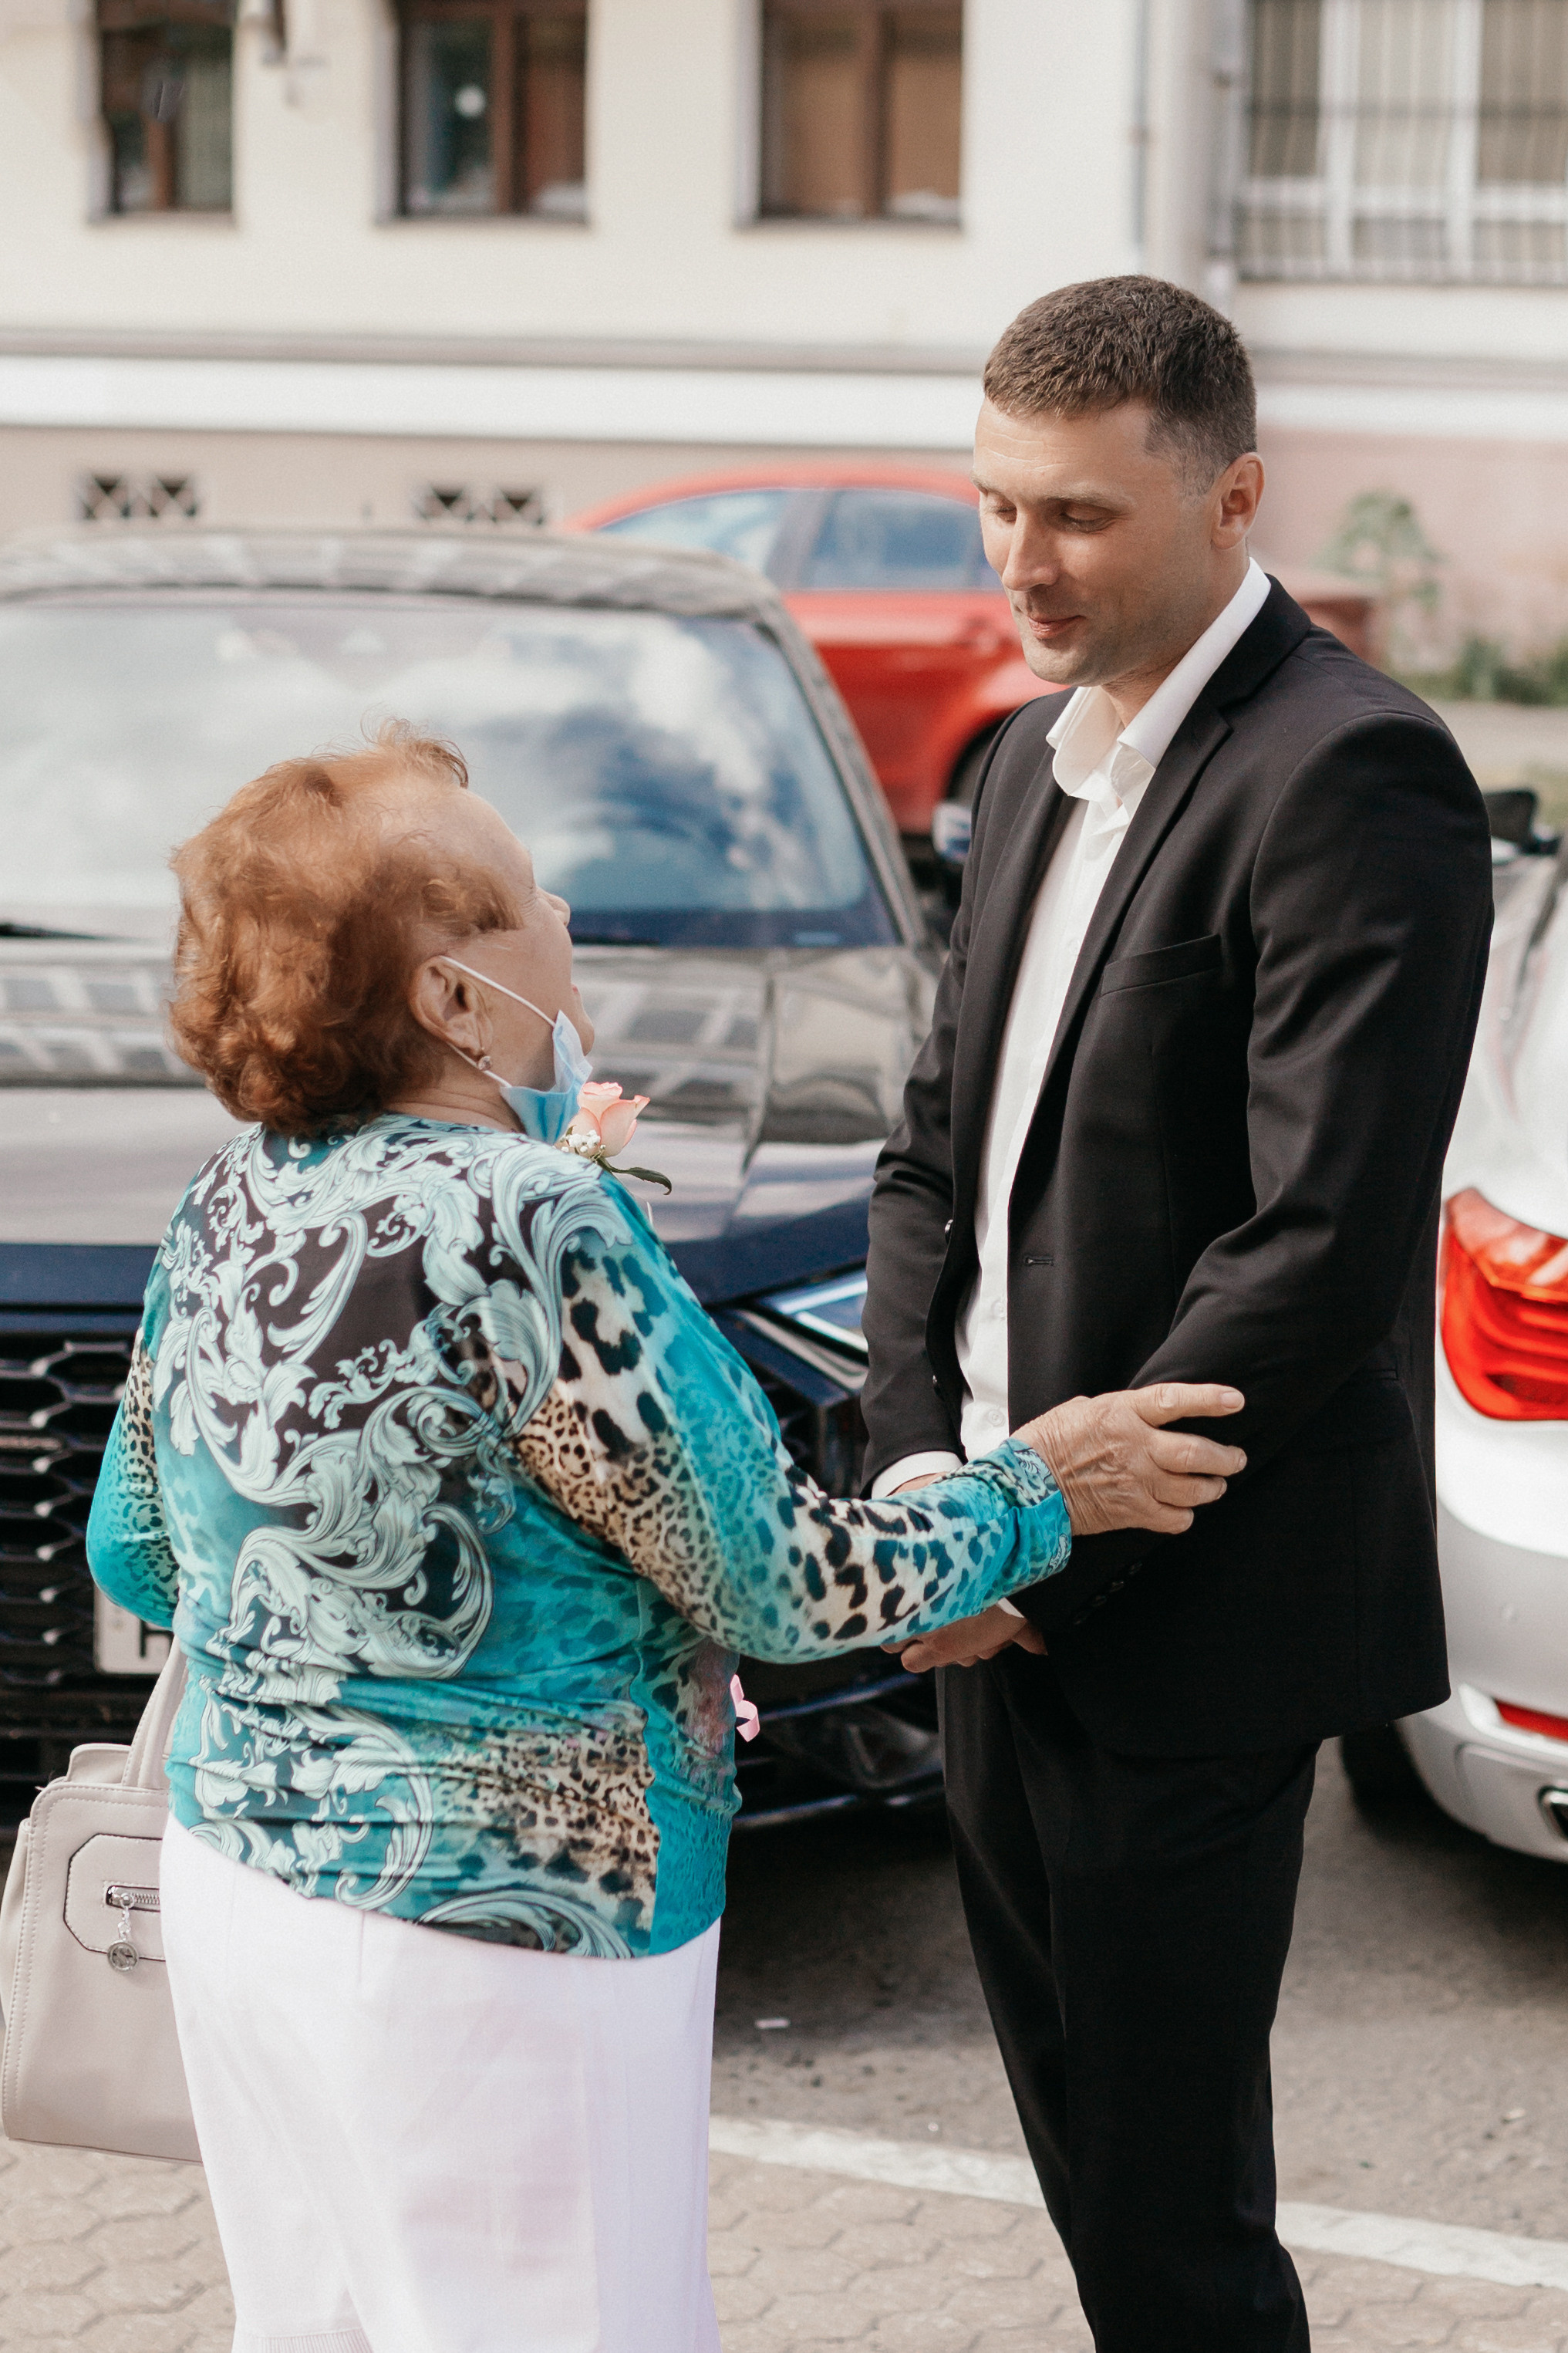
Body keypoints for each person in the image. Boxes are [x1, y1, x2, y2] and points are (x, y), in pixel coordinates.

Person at [85, 721, 1245, 2353]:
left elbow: (137, 1552)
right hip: (506, 1939)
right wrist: (1043, 1490)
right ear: (452, 999)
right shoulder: (532, 1217)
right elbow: (777, 1582)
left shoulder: (233, 1194)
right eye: (530, 901)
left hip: (242, 1896)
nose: (566, 925)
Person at [862, 276, 1493, 2353]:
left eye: (1076, 518)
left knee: (1171, 2214)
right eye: (993, 509)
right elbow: (930, 1162)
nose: (1020, 566)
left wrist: (1035, 1552)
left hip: (1173, 1610)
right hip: (985, 1561)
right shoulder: (1033, 768)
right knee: (1086, 2174)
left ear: (1230, 499)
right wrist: (923, 1505)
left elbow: (1310, 1243)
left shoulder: (1355, 774)